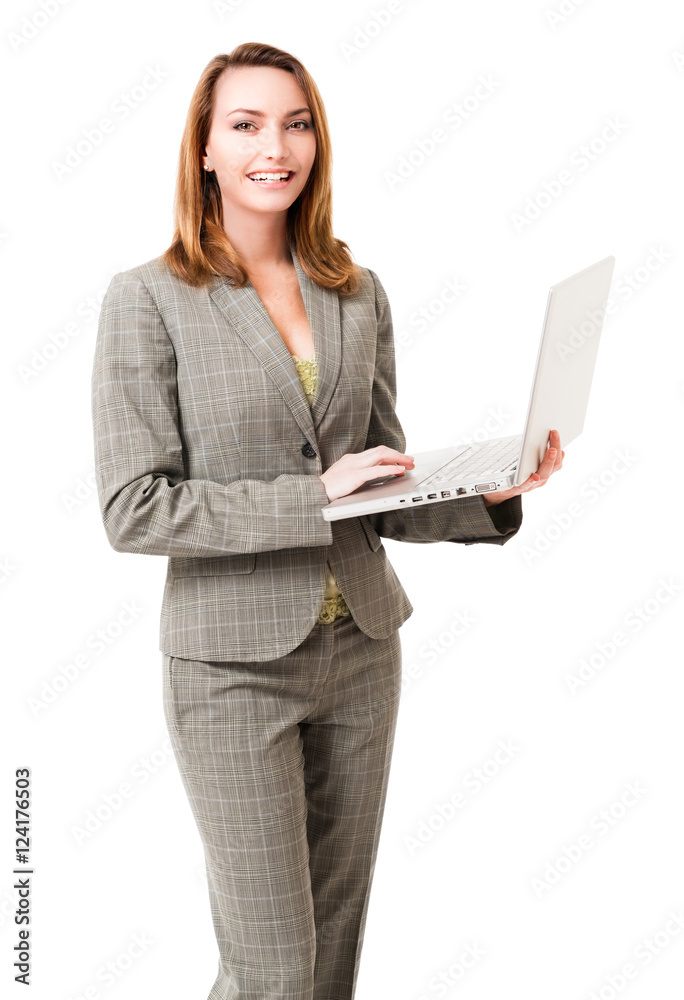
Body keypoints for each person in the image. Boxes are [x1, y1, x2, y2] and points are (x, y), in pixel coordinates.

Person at [91, 41, 563, 1000]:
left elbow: (377, 485)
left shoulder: (355, 291)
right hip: (232, 671)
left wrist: (491, 493)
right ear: (207, 149)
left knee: (333, 957)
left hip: (361, 656)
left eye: (296, 123)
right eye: (248, 124)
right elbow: (133, 510)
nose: (277, 146)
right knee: (272, 968)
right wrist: (312, 494)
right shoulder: (149, 299)